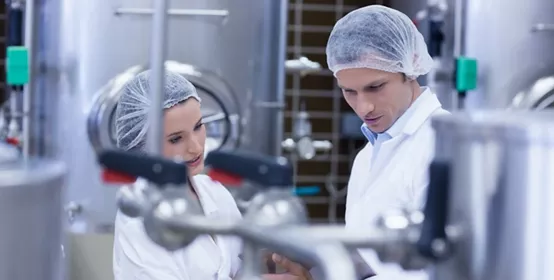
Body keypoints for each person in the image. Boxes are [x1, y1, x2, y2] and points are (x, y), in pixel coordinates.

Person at [112, 70, 312, 280]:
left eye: (198, 126)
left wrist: (271, 261)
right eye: (176, 139)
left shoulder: (213, 190)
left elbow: (233, 269)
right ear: (144, 146)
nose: (196, 146)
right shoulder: (141, 217)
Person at [326, 5, 450, 280]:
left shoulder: (443, 146)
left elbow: (437, 270)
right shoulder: (368, 154)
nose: (364, 107)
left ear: (411, 67)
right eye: (350, 92)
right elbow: (370, 259)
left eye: (376, 87)